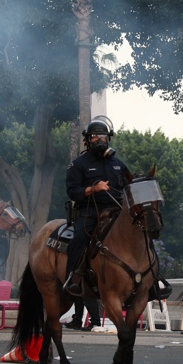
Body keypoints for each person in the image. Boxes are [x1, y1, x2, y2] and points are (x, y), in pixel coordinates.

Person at [63, 116, 129, 297]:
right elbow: (72, 191)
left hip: (117, 211)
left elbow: (128, 185)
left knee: (142, 230)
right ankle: (72, 280)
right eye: (95, 137)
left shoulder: (118, 164)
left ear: (108, 139)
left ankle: (154, 280)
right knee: (79, 239)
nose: (100, 140)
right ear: (87, 140)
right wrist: (94, 188)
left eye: (103, 137)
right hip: (89, 212)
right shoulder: (78, 164)